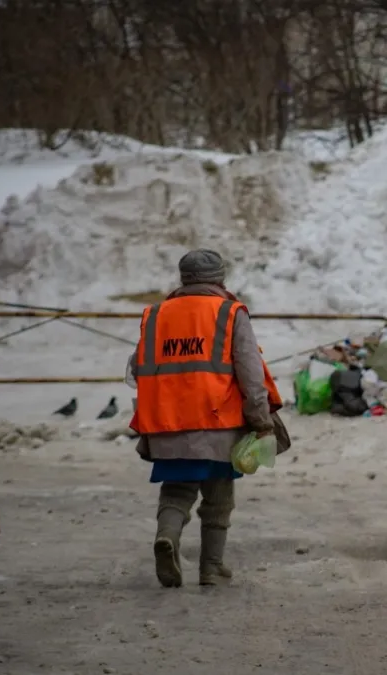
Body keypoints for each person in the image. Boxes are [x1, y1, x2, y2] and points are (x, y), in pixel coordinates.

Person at [126, 249, 290, 588]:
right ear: (220, 277)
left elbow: (135, 369)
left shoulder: (156, 314)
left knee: (176, 491)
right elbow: (250, 373)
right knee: (219, 498)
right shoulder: (230, 313)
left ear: (183, 277)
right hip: (219, 424)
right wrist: (261, 422)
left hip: (166, 423)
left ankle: (167, 538)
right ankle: (211, 568)